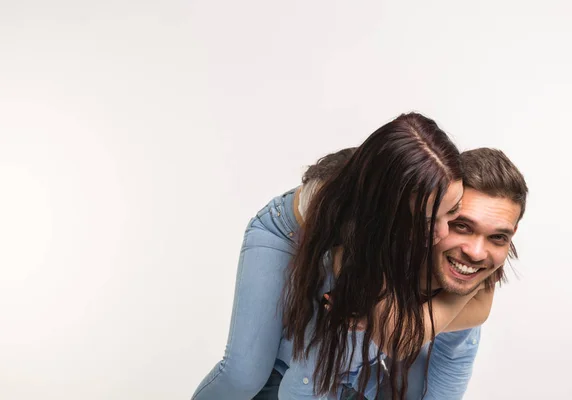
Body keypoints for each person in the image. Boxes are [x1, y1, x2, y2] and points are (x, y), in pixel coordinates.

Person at [191, 112, 489, 400]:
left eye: (452, 211)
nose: (440, 233)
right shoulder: (354, 229)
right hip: (286, 234)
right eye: (424, 220)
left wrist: (467, 283)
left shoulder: (434, 206)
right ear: (389, 211)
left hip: (342, 247)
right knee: (244, 375)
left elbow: (476, 308)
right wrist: (467, 286)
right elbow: (397, 335)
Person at [278, 147, 528, 399]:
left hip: (432, 342)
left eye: (498, 236)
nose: (476, 252)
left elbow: (406, 339)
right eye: (461, 226)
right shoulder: (383, 246)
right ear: (437, 211)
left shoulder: (482, 259)